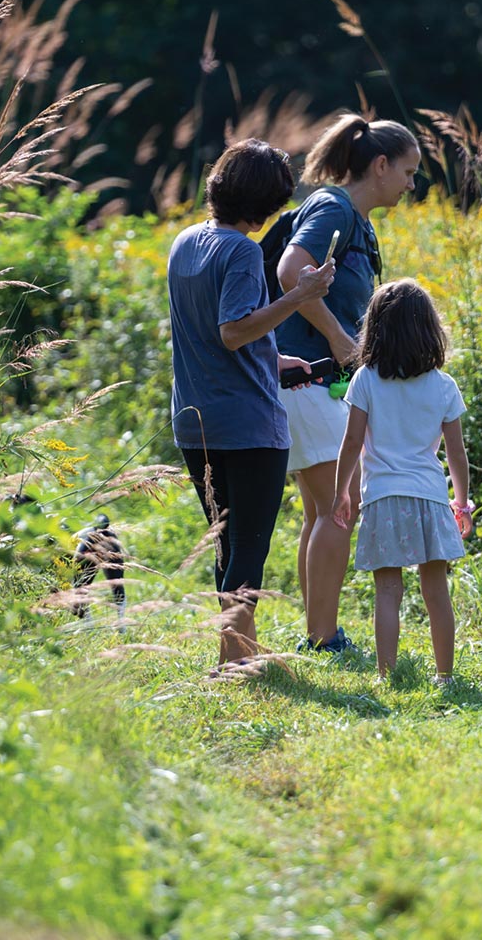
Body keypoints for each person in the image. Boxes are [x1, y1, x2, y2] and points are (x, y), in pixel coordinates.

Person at [168, 138, 335, 667]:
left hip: (195, 421)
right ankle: (233, 658)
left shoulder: (185, 241)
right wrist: (299, 297)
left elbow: (219, 334)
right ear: (264, 202)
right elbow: (233, 331)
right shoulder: (241, 250)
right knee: (248, 545)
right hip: (249, 426)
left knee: (226, 541)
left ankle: (237, 648)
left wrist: (273, 357)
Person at [275, 113, 421, 652]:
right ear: (380, 165)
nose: (411, 185)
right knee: (341, 505)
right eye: (408, 172)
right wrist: (339, 338)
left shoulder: (358, 222)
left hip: (317, 385)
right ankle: (322, 637)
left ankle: (316, 631)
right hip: (304, 381)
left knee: (321, 509)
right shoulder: (333, 207)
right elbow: (291, 273)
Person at [331, 279, 474, 683]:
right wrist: (461, 505)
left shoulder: (366, 380)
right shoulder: (443, 386)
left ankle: (386, 674)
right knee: (436, 593)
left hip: (382, 498)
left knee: (388, 592)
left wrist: (341, 491)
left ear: (375, 330)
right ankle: (444, 675)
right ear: (430, 330)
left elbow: (352, 441)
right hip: (430, 497)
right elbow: (456, 454)